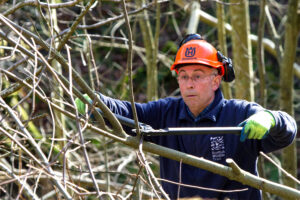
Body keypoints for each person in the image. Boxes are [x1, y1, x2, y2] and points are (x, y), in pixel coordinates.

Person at [75, 34, 297, 199]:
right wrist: (93, 101)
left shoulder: (239, 114)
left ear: (215, 80)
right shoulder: (164, 113)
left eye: (197, 76)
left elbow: (286, 132)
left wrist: (271, 119)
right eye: (183, 76)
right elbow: (128, 113)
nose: (189, 83)